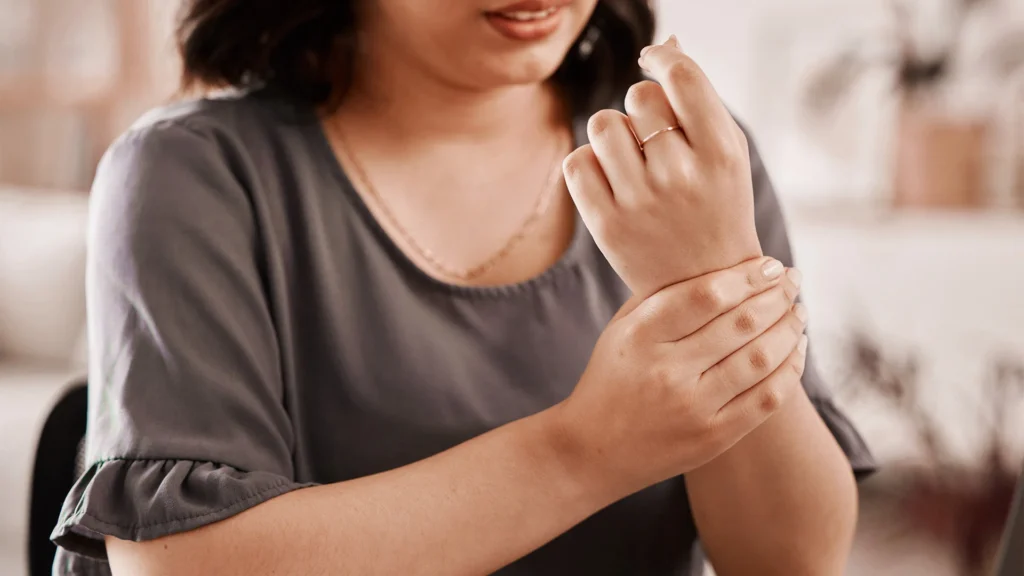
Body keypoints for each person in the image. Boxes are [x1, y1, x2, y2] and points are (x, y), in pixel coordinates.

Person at [51, 1, 875, 574]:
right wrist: (590, 448)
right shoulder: (192, 175)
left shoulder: (684, 160)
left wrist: (715, 272)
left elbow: (792, 563)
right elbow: (184, 565)